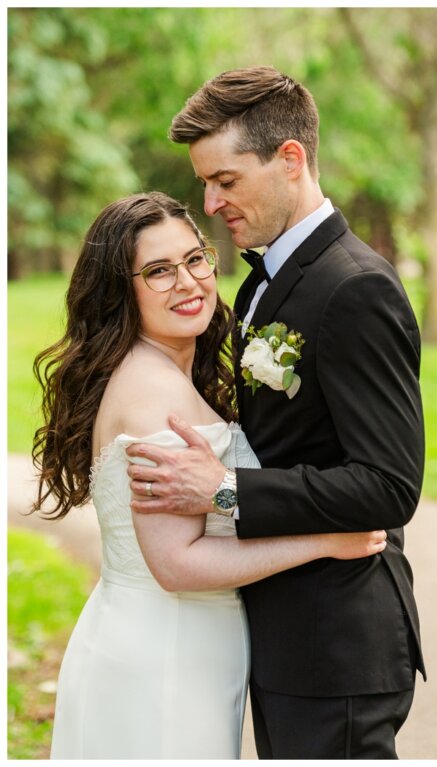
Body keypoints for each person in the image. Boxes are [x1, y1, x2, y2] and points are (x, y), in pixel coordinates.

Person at [124, 67, 426, 759]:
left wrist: (225, 491)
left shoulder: (354, 288)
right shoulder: (271, 277)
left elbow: (389, 486)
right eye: (205, 182)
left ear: (290, 158)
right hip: (290, 629)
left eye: (225, 181)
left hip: (336, 638)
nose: (211, 200)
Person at [34, 192, 387, 758]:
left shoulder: (168, 370)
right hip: (163, 658)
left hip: (178, 646)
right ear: (118, 289)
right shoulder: (150, 392)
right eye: (158, 271)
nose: (187, 282)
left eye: (195, 259)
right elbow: (177, 564)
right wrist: (326, 541)